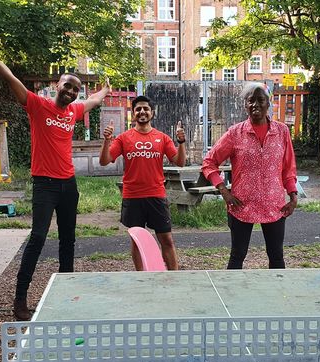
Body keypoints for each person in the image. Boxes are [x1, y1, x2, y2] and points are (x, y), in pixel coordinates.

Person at [0, 23, 111, 320]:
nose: (71, 92)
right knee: (38, 238)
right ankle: (20, 300)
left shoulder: (74, 111)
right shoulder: (37, 105)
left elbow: (92, 101)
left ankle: (66, 297)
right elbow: (9, 75)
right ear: (57, 86)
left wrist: (104, 89)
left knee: (68, 240)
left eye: (75, 89)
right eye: (67, 86)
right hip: (45, 185)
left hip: (69, 185)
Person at [202, 82, 298, 269]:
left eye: (260, 100)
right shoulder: (235, 133)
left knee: (276, 256)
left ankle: (278, 294)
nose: (256, 105)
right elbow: (209, 162)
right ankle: (231, 295)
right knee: (237, 255)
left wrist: (293, 196)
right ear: (245, 104)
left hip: (274, 205)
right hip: (241, 204)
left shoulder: (281, 131)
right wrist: (224, 190)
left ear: (268, 103)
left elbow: (288, 168)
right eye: (251, 100)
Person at [99, 95, 186, 270]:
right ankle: (141, 278)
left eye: (146, 108)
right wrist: (107, 141)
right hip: (133, 197)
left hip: (156, 195)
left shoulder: (162, 138)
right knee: (137, 241)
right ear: (133, 113)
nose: (142, 112)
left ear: (152, 113)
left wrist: (181, 143)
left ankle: (175, 278)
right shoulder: (124, 138)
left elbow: (180, 161)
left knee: (166, 239)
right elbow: (104, 161)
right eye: (138, 109)